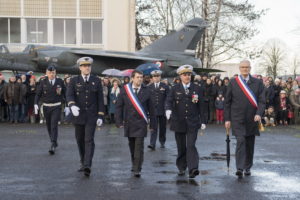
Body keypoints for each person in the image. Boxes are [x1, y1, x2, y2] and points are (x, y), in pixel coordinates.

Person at [224, 60, 265, 178]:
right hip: (237, 118)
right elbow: (227, 102)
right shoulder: (233, 82)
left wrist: (259, 113)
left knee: (249, 143)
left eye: (247, 67)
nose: (245, 69)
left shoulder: (258, 83)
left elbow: (262, 101)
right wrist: (227, 119)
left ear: (250, 68)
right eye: (242, 67)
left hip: (252, 118)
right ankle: (239, 167)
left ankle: (247, 167)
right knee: (241, 141)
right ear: (239, 68)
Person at [165, 65, 206, 179]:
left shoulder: (197, 88)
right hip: (178, 121)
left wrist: (203, 120)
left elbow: (201, 106)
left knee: (191, 145)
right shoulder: (174, 88)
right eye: (185, 74)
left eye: (189, 74)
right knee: (181, 146)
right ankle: (182, 167)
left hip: (193, 122)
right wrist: (168, 110)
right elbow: (169, 100)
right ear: (180, 76)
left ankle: (193, 168)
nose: (187, 76)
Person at [66, 57, 105, 177]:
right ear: (80, 68)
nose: (87, 67)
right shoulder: (74, 80)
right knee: (80, 140)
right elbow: (69, 95)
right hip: (78, 115)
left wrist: (100, 116)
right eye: (84, 66)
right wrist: (72, 105)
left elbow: (100, 100)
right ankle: (83, 162)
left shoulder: (96, 80)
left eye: (88, 65)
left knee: (89, 139)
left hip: (91, 116)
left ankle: (88, 165)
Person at [115, 70, 156, 178]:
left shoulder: (147, 90)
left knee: (139, 146)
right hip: (129, 122)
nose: (140, 79)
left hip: (141, 123)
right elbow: (119, 106)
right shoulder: (125, 90)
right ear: (132, 78)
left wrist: (153, 125)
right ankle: (134, 163)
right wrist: (118, 121)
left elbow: (152, 109)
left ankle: (137, 168)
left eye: (141, 77)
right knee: (132, 145)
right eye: (138, 77)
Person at [34, 65, 66, 155]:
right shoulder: (43, 82)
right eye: (50, 73)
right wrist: (35, 104)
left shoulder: (60, 81)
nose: (51, 74)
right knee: (48, 125)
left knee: (53, 124)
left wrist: (68, 105)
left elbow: (65, 93)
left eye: (53, 73)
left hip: (57, 106)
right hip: (46, 107)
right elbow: (38, 94)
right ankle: (54, 141)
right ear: (46, 73)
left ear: (55, 73)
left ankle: (52, 144)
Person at [147, 70, 169, 150]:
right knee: (153, 127)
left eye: (157, 76)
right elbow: (147, 99)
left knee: (163, 128)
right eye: (154, 76)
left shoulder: (165, 86)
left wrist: (167, 108)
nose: (156, 78)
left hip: (162, 110)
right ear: (152, 78)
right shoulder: (149, 87)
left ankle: (162, 141)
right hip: (153, 111)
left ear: (160, 77)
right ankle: (152, 143)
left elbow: (168, 98)